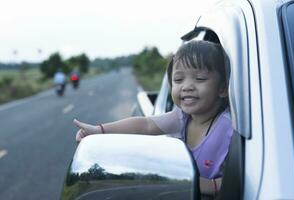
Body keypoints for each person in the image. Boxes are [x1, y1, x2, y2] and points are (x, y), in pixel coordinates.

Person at [73, 40, 233, 197]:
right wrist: (99, 130)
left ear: (223, 88)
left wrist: (210, 185)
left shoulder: (229, 128)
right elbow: (146, 124)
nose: (187, 86)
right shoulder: (182, 117)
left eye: (199, 79)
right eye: (178, 80)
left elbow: (243, 179)